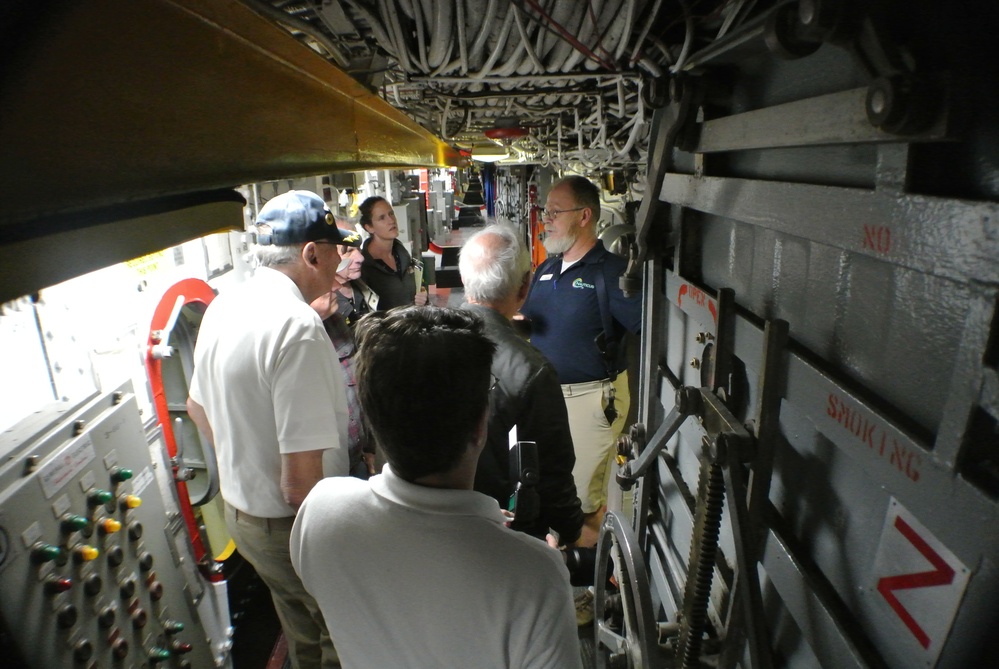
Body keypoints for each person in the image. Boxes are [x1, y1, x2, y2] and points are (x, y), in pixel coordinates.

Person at [290, 307, 582, 669]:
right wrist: (531, 553)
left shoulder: (320, 512)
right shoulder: (535, 576)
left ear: (370, 415)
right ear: (480, 425)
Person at [187, 190, 357, 669]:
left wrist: (244, 460)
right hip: (294, 527)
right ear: (311, 253)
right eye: (336, 251)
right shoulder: (296, 326)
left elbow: (197, 408)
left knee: (299, 628)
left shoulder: (224, 305)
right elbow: (301, 485)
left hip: (244, 518)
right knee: (339, 636)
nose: (339, 262)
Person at [520, 176, 642, 547]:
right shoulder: (546, 270)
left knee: (584, 502)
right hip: (544, 399)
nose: (546, 219)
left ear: (585, 215)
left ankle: (590, 589)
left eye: (555, 212)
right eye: (546, 212)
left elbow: (651, 329)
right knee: (546, 488)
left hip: (589, 400)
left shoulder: (612, 273)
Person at [458, 224, 584, 545]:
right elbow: (554, 473)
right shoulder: (532, 370)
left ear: (464, 278)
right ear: (524, 287)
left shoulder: (421, 341)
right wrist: (568, 531)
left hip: (427, 522)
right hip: (502, 533)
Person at [310, 216, 375, 479]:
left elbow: (357, 379)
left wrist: (369, 446)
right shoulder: (312, 316)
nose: (358, 257)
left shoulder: (358, 293)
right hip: (330, 465)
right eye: (347, 251)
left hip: (356, 449)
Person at [357, 195, 429, 310]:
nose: (391, 221)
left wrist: (423, 296)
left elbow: (417, 288)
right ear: (369, 228)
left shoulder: (403, 255)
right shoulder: (364, 267)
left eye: (391, 214)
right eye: (382, 218)